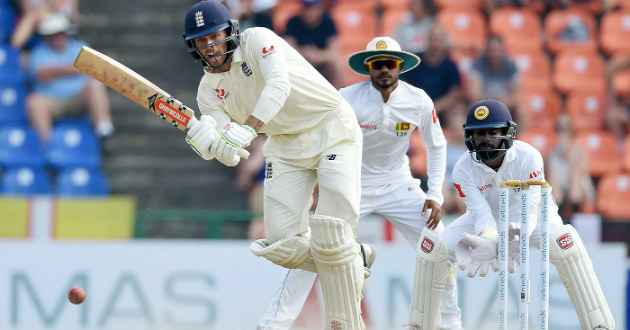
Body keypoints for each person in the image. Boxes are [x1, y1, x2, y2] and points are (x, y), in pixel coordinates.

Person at [181, 1, 369, 328]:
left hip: (330, 126)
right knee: (281, 242)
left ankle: (337, 315)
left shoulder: (257, 39)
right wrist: (209, 144)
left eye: (215, 36)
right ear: (193, 47)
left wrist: (249, 128)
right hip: (284, 144)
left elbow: (278, 85)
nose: (210, 47)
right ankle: (354, 257)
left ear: (230, 32)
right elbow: (228, 144)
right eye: (201, 41)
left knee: (332, 227)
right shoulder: (207, 93)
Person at [257, 36, 463, 330]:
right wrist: (319, 181)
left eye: (390, 64)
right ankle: (271, 325)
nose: (384, 70)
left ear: (400, 67)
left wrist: (435, 195)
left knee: (440, 248)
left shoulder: (418, 100)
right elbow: (319, 136)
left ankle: (451, 324)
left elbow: (437, 145)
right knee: (313, 251)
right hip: (351, 182)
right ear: (368, 68)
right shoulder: (345, 98)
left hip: (398, 184)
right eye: (377, 64)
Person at [442, 99, 615, 330]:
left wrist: (514, 237)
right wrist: (489, 239)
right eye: (478, 134)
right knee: (435, 249)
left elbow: (530, 208)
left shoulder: (529, 156)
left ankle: (599, 325)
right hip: (491, 217)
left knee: (568, 246)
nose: (484, 140)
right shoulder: (462, 169)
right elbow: (481, 214)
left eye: (492, 133)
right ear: (469, 137)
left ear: (507, 133)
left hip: (538, 216)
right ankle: (439, 325)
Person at [25, 12, 114, 144]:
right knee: (34, 102)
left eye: (61, 32)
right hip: (51, 100)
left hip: (79, 97)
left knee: (95, 84)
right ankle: (46, 147)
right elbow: (41, 75)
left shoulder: (80, 46)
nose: (59, 36)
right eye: (54, 33)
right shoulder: (38, 52)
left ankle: (103, 129)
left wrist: (54, 71)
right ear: (48, 36)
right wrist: (73, 67)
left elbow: (92, 69)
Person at [401, 25, 463, 117]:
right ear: (427, 40)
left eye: (438, 40)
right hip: (414, 107)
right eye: (433, 39)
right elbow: (402, 84)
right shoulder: (414, 61)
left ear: (444, 43)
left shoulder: (451, 65)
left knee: (457, 117)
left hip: (442, 110)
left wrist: (433, 108)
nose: (435, 44)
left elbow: (453, 94)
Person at [467, 36, 524, 128]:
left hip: (505, 107)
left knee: (521, 112)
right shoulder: (478, 65)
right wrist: (496, 103)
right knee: (468, 108)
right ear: (486, 51)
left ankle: (520, 139)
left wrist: (498, 104)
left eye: (496, 50)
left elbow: (516, 97)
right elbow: (474, 95)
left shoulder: (511, 66)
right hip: (482, 107)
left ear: (503, 50)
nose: (494, 53)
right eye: (491, 50)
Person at [283, 0, 342, 88]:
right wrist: (305, 53)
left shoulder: (328, 22)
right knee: (284, 64)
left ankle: (339, 97)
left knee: (337, 64)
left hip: (322, 64)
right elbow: (287, 49)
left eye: (312, 7)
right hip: (299, 62)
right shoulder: (293, 22)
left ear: (319, 8)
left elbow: (334, 52)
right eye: (306, 7)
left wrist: (317, 55)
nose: (309, 11)